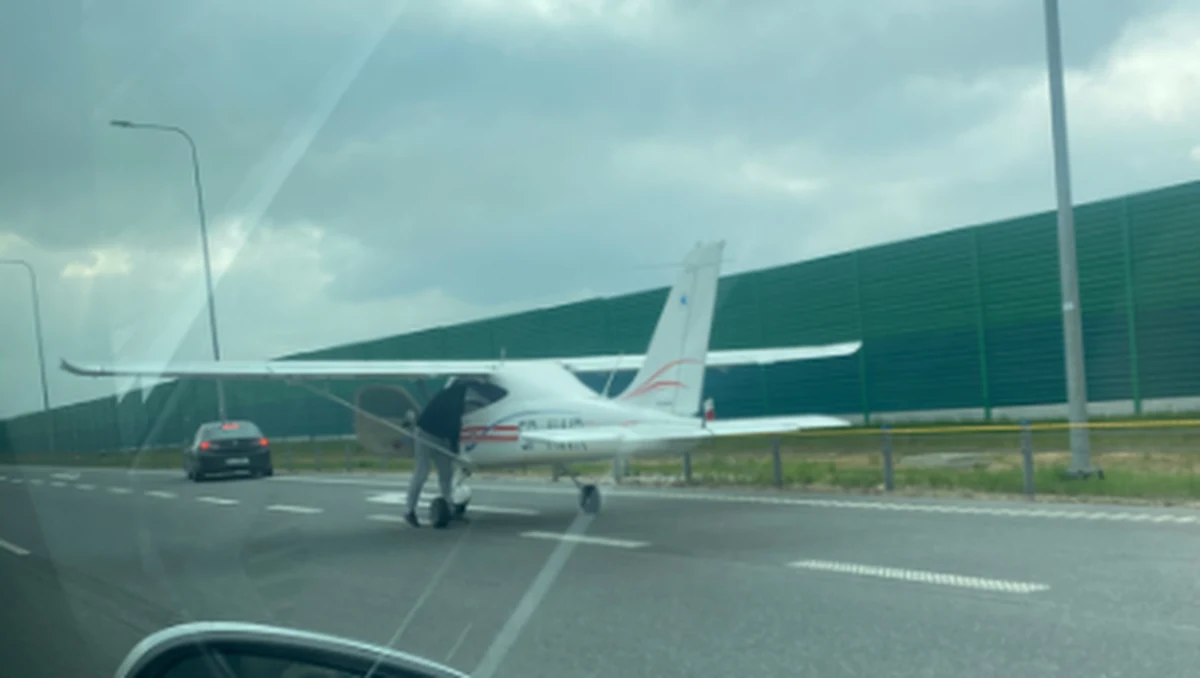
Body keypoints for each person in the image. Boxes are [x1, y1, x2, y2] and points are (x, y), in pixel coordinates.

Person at [403, 379, 471, 527]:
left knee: (446, 474)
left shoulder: (447, 396)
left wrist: (453, 447)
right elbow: (455, 426)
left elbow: (453, 426)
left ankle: (449, 508)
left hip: (442, 438)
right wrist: (455, 449)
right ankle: (409, 510)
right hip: (425, 435)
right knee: (422, 472)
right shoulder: (454, 402)